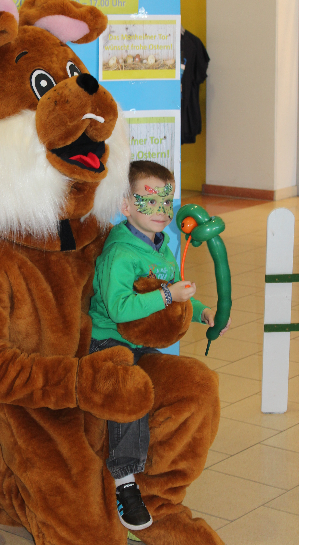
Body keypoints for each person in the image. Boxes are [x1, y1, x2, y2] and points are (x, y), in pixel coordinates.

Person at [87, 160, 231, 532]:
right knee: (132, 390)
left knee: (178, 384)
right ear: (126, 206)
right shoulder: (119, 254)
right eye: (149, 201)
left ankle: (158, 476)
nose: (161, 212)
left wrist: (202, 313)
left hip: (141, 343)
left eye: (166, 203)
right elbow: (120, 308)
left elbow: (177, 298)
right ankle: (125, 480)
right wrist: (168, 294)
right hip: (108, 341)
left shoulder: (163, 246)